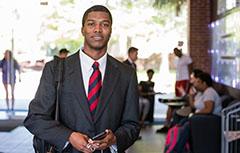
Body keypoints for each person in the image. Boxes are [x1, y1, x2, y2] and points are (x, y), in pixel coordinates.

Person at [24, 5, 140, 153]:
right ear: (83, 29)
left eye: (104, 24)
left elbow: (133, 124)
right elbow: (35, 118)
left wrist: (115, 139)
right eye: (91, 24)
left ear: (110, 30)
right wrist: (68, 137)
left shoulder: (126, 74)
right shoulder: (56, 69)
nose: (97, 29)